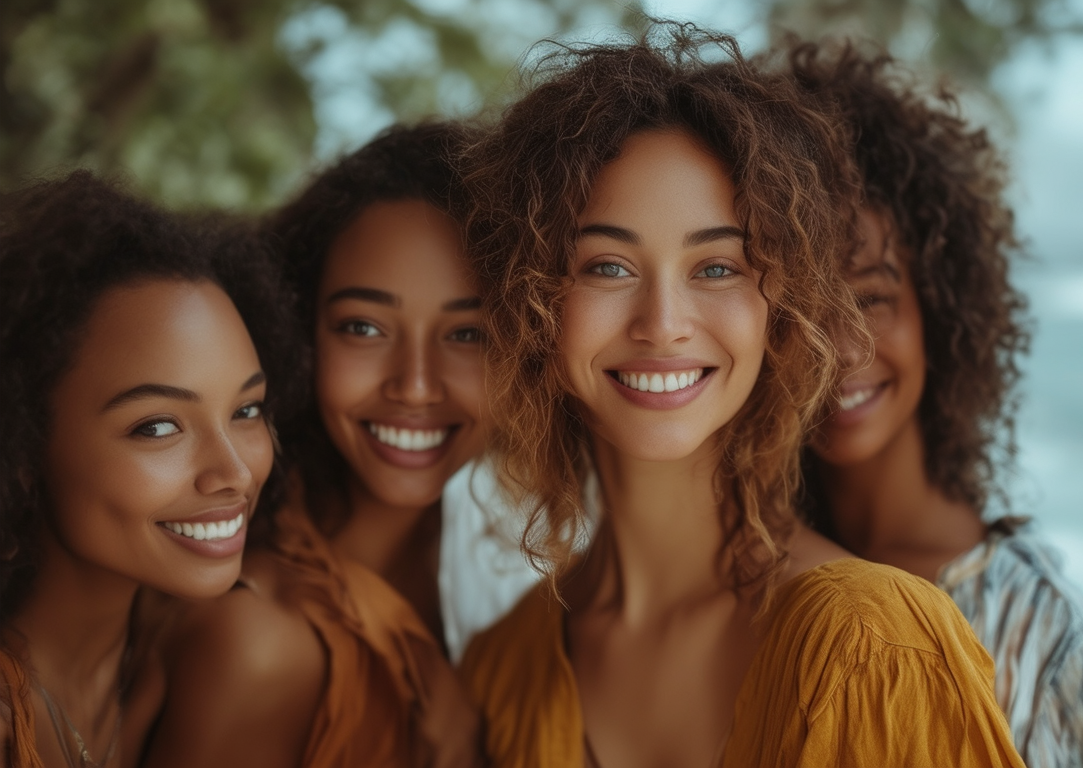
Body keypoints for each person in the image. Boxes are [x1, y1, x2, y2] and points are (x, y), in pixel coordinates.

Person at [460, 26, 1026, 768]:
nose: (663, 325)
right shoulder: (501, 669)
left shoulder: (874, 642)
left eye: (718, 267)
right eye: (606, 266)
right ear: (533, 303)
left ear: (781, 308)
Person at [772, 40, 1083, 768]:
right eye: (799, 309)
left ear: (940, 309)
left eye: (873, 298)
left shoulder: (1049, 641)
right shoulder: (736, 582)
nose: (842, 351)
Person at [138, 123, 482, 768]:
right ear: (298, 333)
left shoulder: (505, 580)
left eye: (469, 334)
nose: (414, 385)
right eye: (364, 327)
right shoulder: (259, 643)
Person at [0, 171, 293, 767]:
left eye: (246, 410)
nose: (233, 472)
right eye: (157, 426)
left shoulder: (181, 658)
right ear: (23, 447)